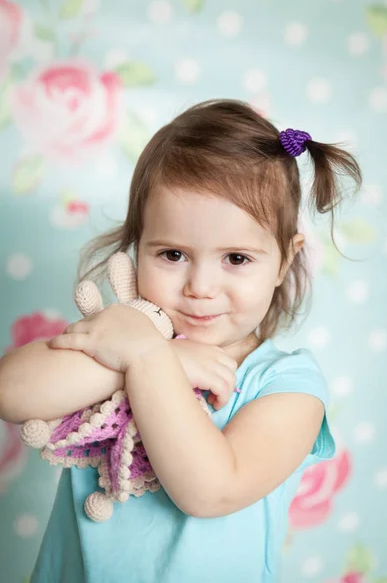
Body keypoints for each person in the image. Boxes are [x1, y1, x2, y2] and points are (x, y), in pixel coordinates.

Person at [0, 99, 362, 583]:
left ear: (284, 259)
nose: (200, 287)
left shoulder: (287, 384)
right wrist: (145, 350)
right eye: (172, 254)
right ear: (138, 246)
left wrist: (150, 359)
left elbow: (210, 490)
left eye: (236, 258)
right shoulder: (119, 336)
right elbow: (12, 391)